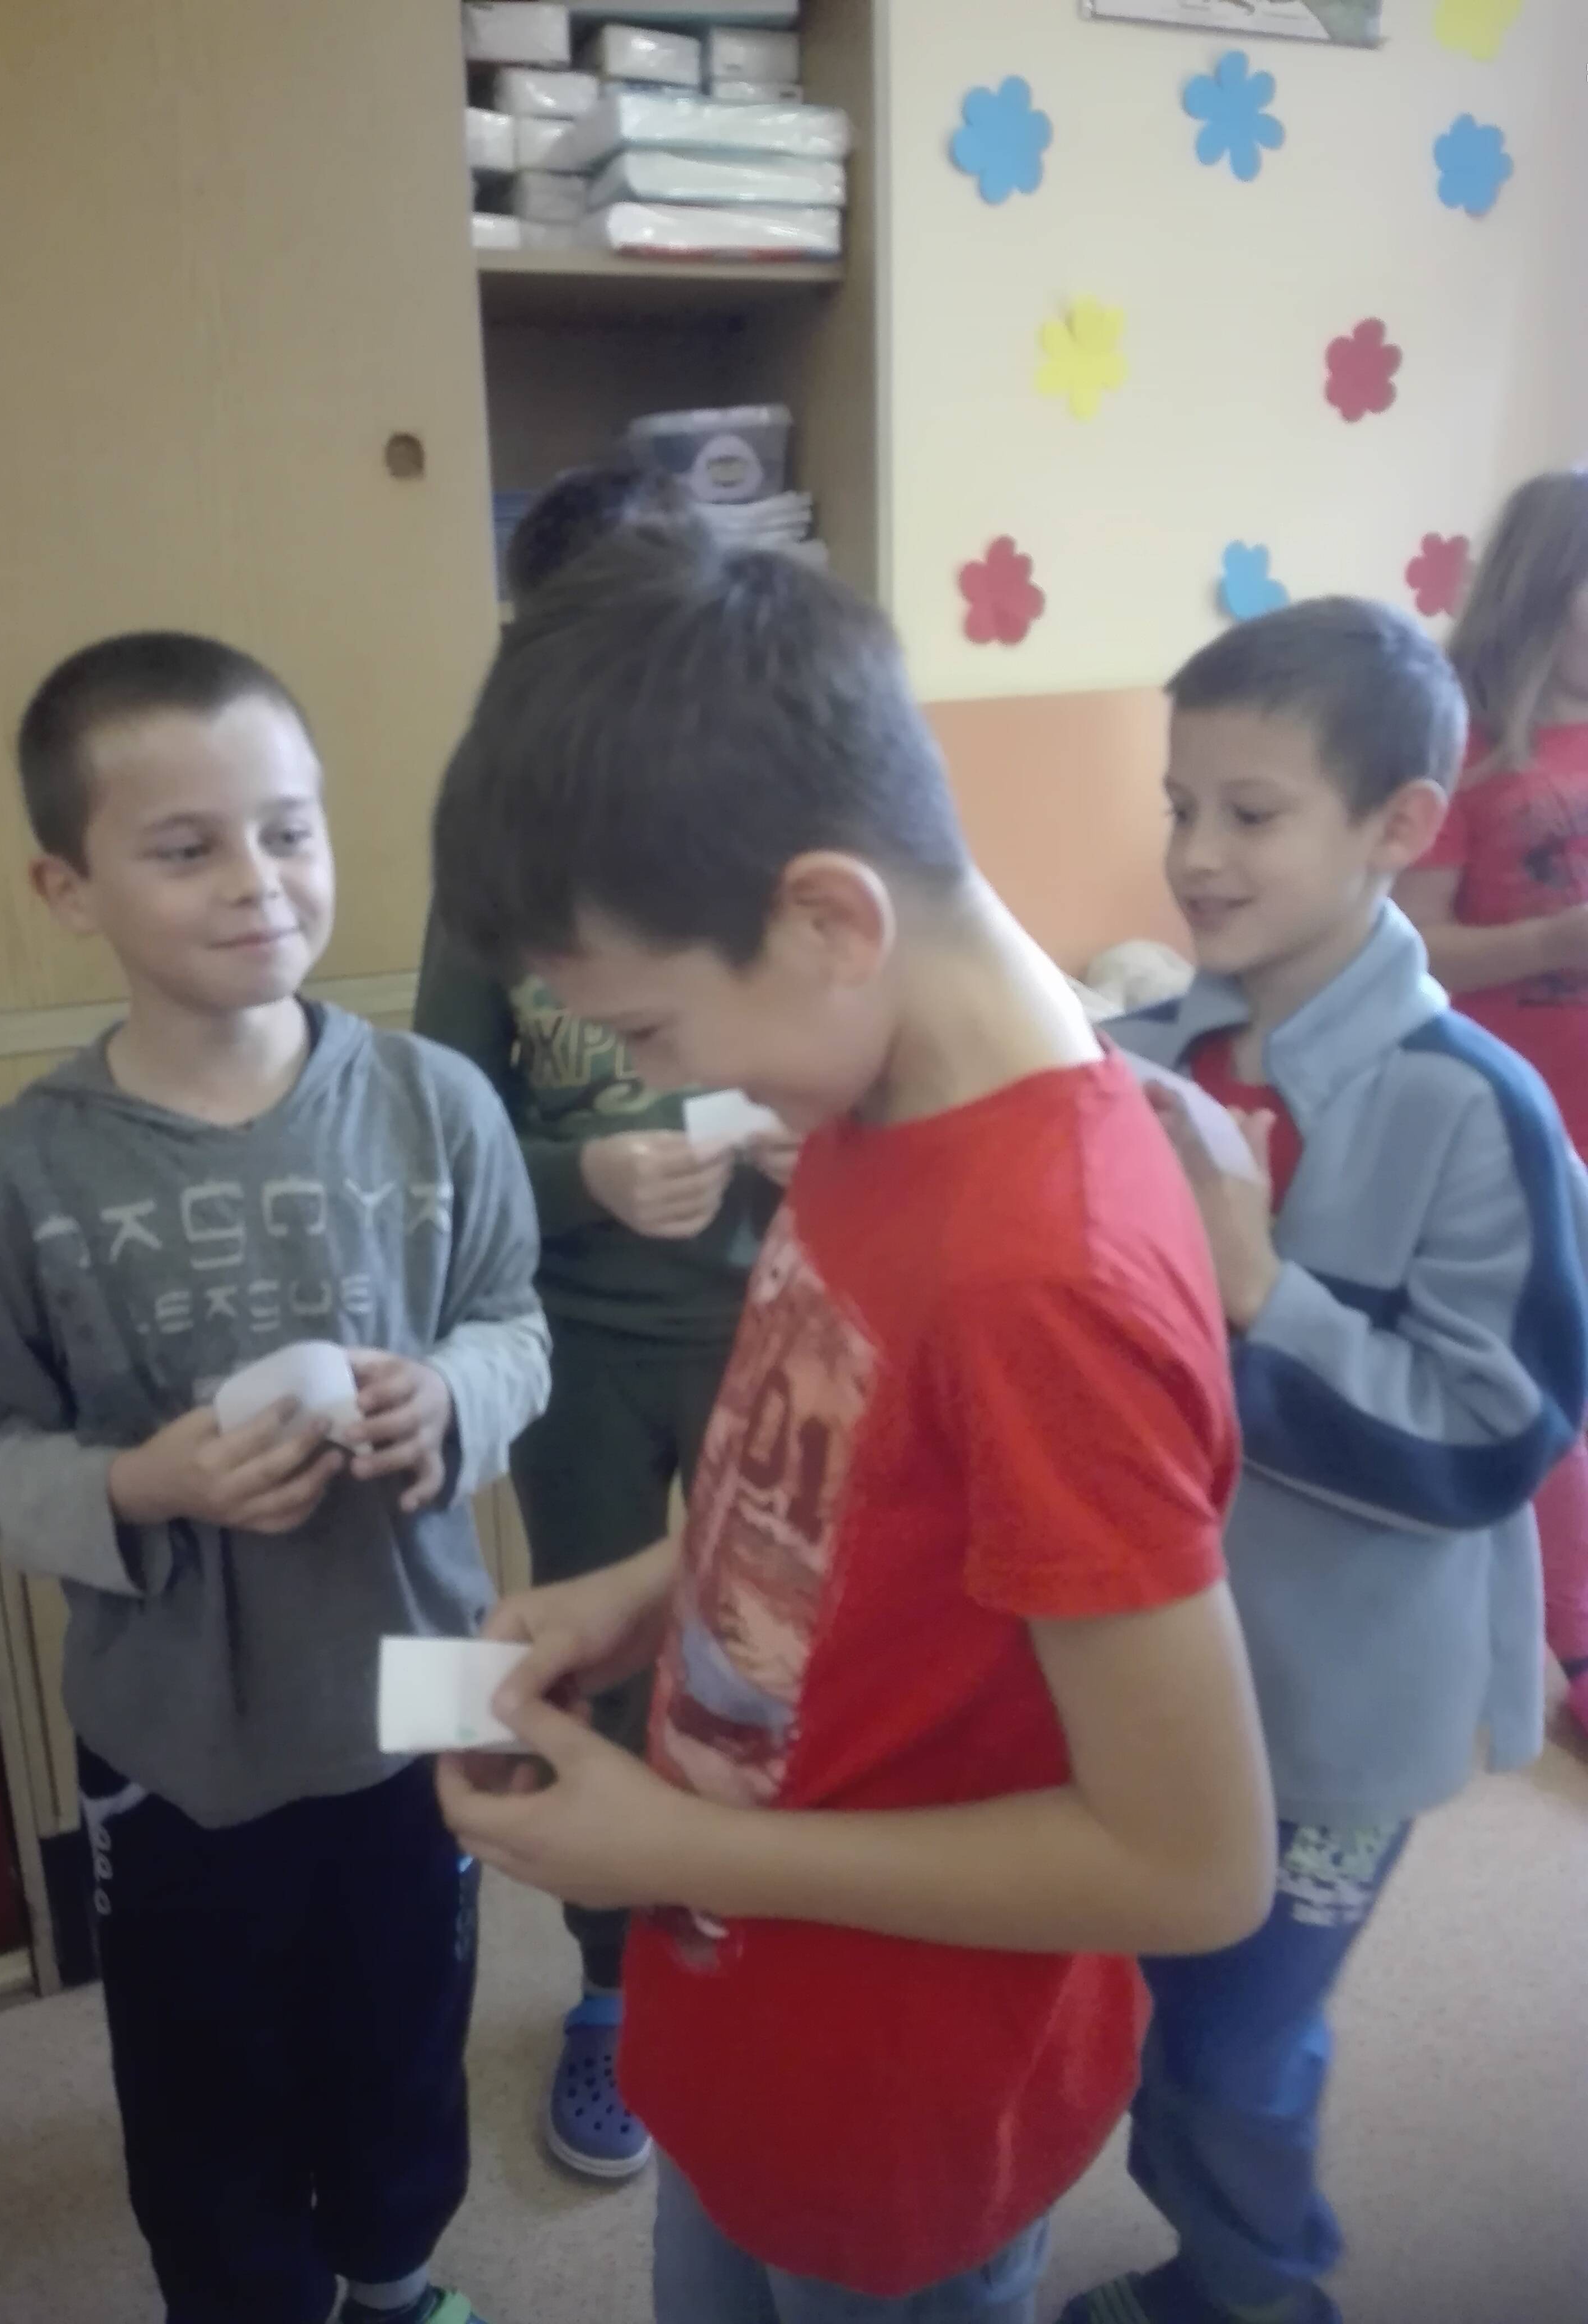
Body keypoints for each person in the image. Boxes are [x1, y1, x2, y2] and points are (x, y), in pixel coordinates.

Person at [429, 523, 1277, 2324]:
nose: (651, 1081)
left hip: (902, 2106)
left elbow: (1195, 1863)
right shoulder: (871, 1093)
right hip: (743, 2015)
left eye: (650, 1028)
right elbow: (840, 1481)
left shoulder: (1046, 1276)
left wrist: (677, 1851)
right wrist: (647, 1590)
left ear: (828, 920)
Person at [0, 633, 550, 2324]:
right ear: (69, 887)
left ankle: (394, 2276)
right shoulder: (16, 1179)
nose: (258, 881)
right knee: (204, 2068)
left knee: (409, 2017)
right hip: (178, 1731)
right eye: (186, 847)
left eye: (289, 830)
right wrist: (142, 1485)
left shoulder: (438, 1103)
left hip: (422, 1675)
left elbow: (515, 1323)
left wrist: (453, 1397)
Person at [1066, 598, 1588, 2324]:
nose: (1195, 856)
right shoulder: (1142, 1059)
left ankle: (1254, 2295)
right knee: (1147, 2002)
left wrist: (1263, 1291)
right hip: (1149, 1660)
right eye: (1179, 806)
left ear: (1399, 825)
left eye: (1251, 812)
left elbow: (1495, 1435)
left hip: (1338, 1714)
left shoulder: (1478, 1108)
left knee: (1235, 2047)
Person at [415, 463, 790, 2179]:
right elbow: (451, 1130)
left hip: (769, 1327)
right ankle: (605, 1989)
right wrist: (588, 1174)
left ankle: (767, 1928)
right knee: (595, 1658)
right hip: (569, 1343)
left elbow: (877, 1072)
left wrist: (800, 1149)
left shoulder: (780, 833)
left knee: (776, 1649)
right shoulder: (495, 862)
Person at [1396, 470, 1588, 1737]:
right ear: (1548, 586)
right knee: (1549, 1372)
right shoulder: (1459, 741)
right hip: (1519, 1109)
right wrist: (1558, 940)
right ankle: (1574, 1644)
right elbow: (1413, 950)